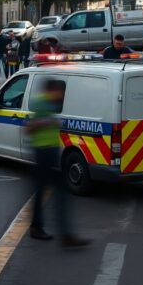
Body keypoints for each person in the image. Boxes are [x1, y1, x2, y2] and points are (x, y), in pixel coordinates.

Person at [25, 78, 90, 247]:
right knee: (59, 194)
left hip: (49, 153)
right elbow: (29, 127)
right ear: (51, 90)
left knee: (43, 193)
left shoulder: (51, 104)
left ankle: (38, 227)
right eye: (59, 91)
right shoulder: (41, 103)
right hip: (43, 153)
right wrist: (47, 122)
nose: (61, 95)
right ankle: (65, 234)